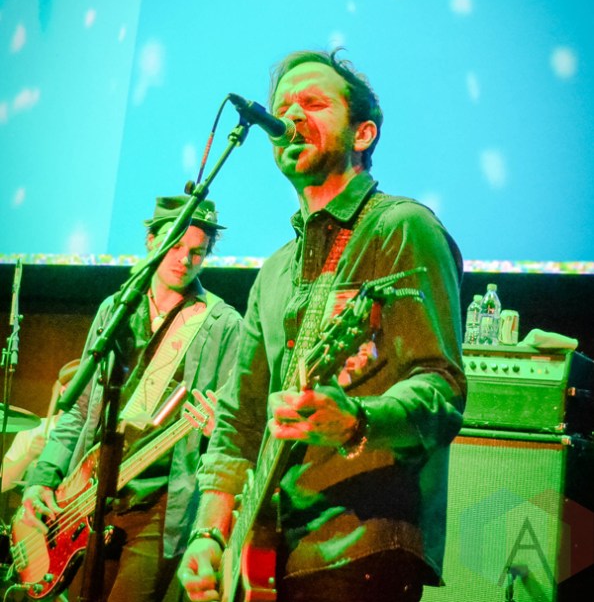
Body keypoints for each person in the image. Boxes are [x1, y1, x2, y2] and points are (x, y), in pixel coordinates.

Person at [178, 49, 467, 602]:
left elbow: (442, 386)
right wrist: (210, 533)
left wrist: (356, 420)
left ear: (363, 133)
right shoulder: (274, 272)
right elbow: (239, 422)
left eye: (313, 103)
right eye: (284, 105)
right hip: (266, 552)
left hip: (360, 544)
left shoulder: (401, 228)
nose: (290, 115)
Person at [19, 196, 242, 602]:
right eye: (175, 246)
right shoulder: (115, 310)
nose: (184, 260)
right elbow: (81, 410)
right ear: (151, 241)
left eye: (197, 252)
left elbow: (236, 427)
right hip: (89, 497)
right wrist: (43, 477)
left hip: (160, 505)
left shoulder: (223, 324)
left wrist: (218, 427)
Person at [1, 359, 79, 493]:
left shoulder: (91, 434)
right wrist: (28, 456)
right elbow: (3, 483)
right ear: (63, 391)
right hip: (34, 505)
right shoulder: (34, 430)